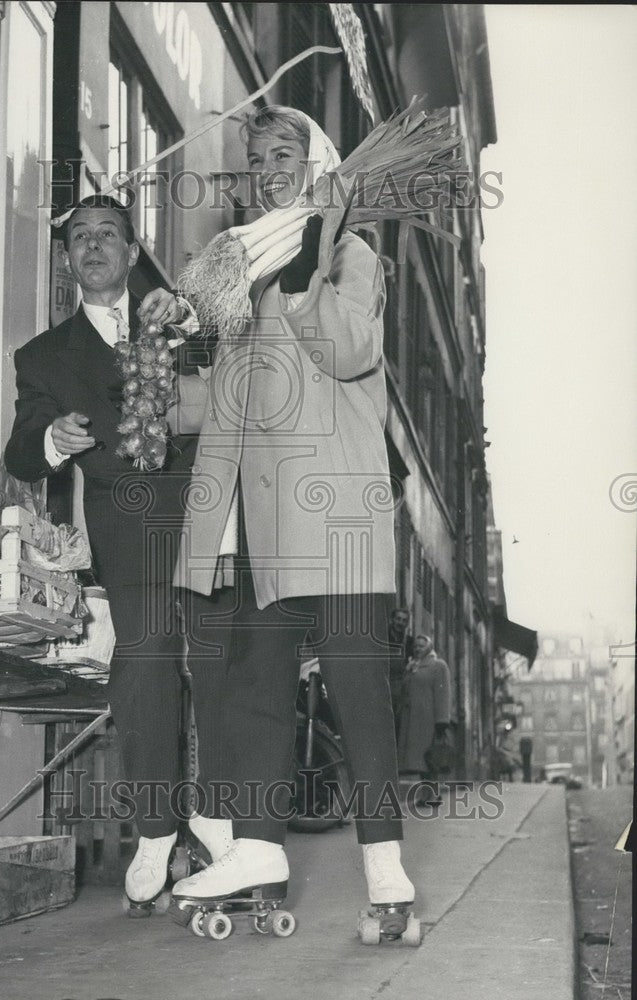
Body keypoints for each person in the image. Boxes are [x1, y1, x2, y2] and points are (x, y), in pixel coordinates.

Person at [170, 106, 415, 922]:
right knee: (256, 687)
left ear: (315, 162)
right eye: (257, 160)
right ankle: (259, 845)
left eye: (285, 153)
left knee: (356, 688)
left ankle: (384, 869)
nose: (268, 170)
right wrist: (150, 378)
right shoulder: (237, 275)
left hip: (339, 512)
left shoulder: (348, 253)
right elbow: (233, 411)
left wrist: (308, 268)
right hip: (268, 524)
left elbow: (347, 352)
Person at [3, 195, 231, 912]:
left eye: (108, 235)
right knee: (147, 659)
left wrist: (190, 316)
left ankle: (226, 820)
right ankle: (156, 828)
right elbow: (20, 451)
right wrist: (51, 441)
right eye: (79, 239)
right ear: (68, 261)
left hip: (203, 506)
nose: (93, 246)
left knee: (225, 654)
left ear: (133, 253)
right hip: (125, 520)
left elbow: (237, 354)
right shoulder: (42, 357)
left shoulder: (175, 319)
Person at [397, 635, 451, 806]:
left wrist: (442, 721)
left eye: (421, 646)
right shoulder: (413, 665)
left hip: (429, 721)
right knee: (421, 762)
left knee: (430, 759)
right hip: (413, 721)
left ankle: (433, 795)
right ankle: (426, 795)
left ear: (429, 647)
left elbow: (443, 694)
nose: (417, 648)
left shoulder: (438, 665)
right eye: (416, 646)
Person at [387, 607, 414, 737]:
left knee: (398, 726)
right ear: (392, 620)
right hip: (383, 685)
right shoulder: (382, 637)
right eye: (398, 619)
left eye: (404, 620)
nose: (400, 623)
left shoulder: (409, 642)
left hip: (400, 689)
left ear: (407, 624)